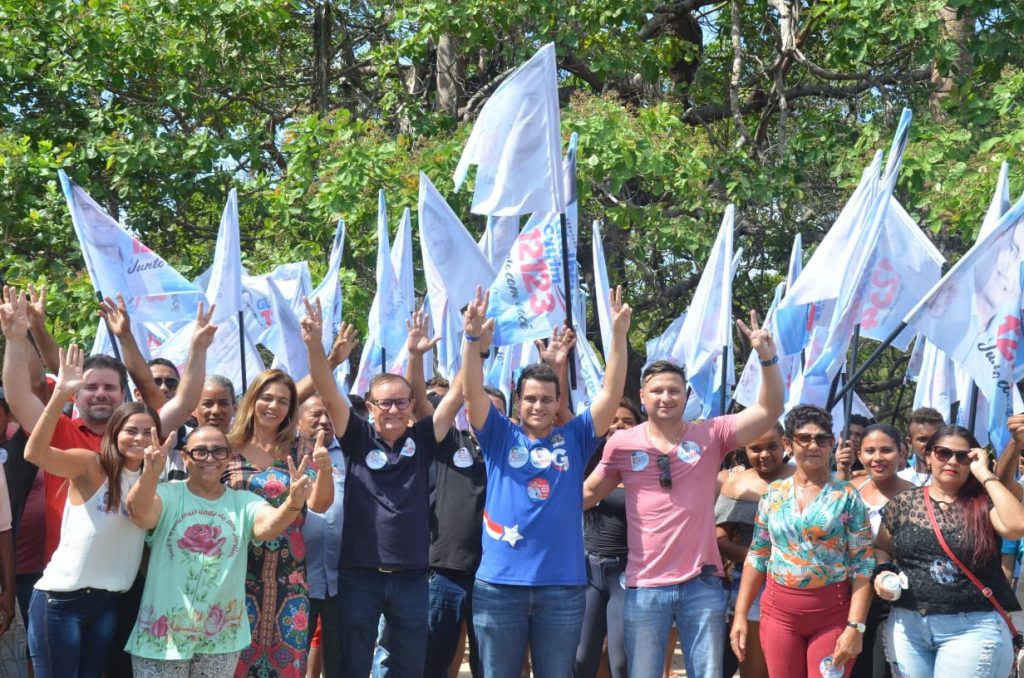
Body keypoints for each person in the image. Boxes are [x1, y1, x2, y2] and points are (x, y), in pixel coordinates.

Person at [584, 311, 783, 678]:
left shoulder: (712, 434)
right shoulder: (622, 444)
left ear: (686, 395)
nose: (665, 397)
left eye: (674, 390)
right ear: (642, 396)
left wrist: (766, 358)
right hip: (644, 587)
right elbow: (588, 493)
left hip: (702, 584)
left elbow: (770, 409)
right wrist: (534, 497)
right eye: (657, 391)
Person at [462, 286, 631, 678]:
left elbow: (611, 392)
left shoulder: (576, 437)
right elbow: (472, 391)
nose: (538, 406)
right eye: (530, 399)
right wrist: (472, 342)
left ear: (559, 403)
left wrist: (618, 339)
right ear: (517, 401)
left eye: (547, 399)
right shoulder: (498, 435)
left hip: (563, 588)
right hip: (499, 586)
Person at [300, 300, 464, 678]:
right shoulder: (356, 436)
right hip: (360, 575)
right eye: (385, 403)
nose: (393, 410)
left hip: (411, 575)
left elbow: (457, 395)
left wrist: (470, 342)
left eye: (401, 403)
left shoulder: (424, 438)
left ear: (411, 405)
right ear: (370, 407)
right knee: (353, 665)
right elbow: (326, 388)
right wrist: (314, 346)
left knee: (408, 667)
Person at [124, 424, 321, 677]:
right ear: (185, 457)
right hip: (163, 635)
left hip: (219, 638)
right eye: (201, 451)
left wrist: (293, 502)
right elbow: (140, 514)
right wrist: (150, 473)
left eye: (219, 451)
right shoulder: (168, 494)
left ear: (228, 458)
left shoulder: (242, 501)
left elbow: (268, 527)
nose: (210, 458)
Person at [23, 344, 159, 677]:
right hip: (60, 603)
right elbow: (34, 452)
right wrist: (60, 397)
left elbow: (145, 516)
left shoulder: (156, 486)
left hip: (107, 604)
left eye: (147, 432)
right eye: (131, 430)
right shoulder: (90, 465)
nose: (138, 438)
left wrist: (153, 471)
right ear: (115, 433)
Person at [730, 405, 875, 678]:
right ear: (788, 443)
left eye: (821, 439)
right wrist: (740, 614)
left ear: (832, 444)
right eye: (804, 438)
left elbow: (863, 565)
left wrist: (855, 627)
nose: (813, 445)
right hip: (778, 615)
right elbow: (758, 555)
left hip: (832, 616)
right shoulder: (773, 494)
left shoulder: (847, 496)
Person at [874, 424, 1024, 677]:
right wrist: (883, 572)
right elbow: (881, 547)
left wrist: (984, 474)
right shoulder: (904, 502)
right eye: (944, 453)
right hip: (907, 625)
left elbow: (1016, 526)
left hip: (971, 627)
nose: (952, 460)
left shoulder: (984, 503)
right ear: (929, 455)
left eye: (963, 456)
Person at [222, 367, 333, 678]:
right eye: (266, 398)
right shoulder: (226, 448)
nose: (273, 406)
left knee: (286, 666)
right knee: (233, 664)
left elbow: (320, 503)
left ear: (291, 409)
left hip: (289, 577)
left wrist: (323, 469)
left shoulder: (302, 448)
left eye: (283, 401)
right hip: (235, 575)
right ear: (251, 400)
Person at [715, 423, 792, 678]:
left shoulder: (803, 477)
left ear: (785, 443)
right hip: (750, 585)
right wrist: (757, 560)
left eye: (772, 447)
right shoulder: (735, 484)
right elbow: (719, 538)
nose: (764, 454)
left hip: (800, 583)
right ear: (744, 449)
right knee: (754, 668)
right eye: (755, 448)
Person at [574, 398, 643, 678]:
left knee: (622, 661)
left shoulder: (646, 469)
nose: (619, 425)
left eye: (627, 421)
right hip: (587, 572)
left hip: (626, 574)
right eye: (613, 420)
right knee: (581, 658)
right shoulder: (588, 466)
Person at [841, 423, 912, 678]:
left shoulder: (916, 494)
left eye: (886, 450)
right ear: (860, 455)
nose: (878, 458)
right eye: (870, 451)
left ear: (902, 452)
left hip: (892, 600)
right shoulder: (850, 489)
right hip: (847, 596)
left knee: (879, 669)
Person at [896, 407, 943, 487]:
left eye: (936, 438)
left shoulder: (956, 480)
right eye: (923, 439)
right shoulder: (897, 480)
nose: (930, 444)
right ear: (910, 442)